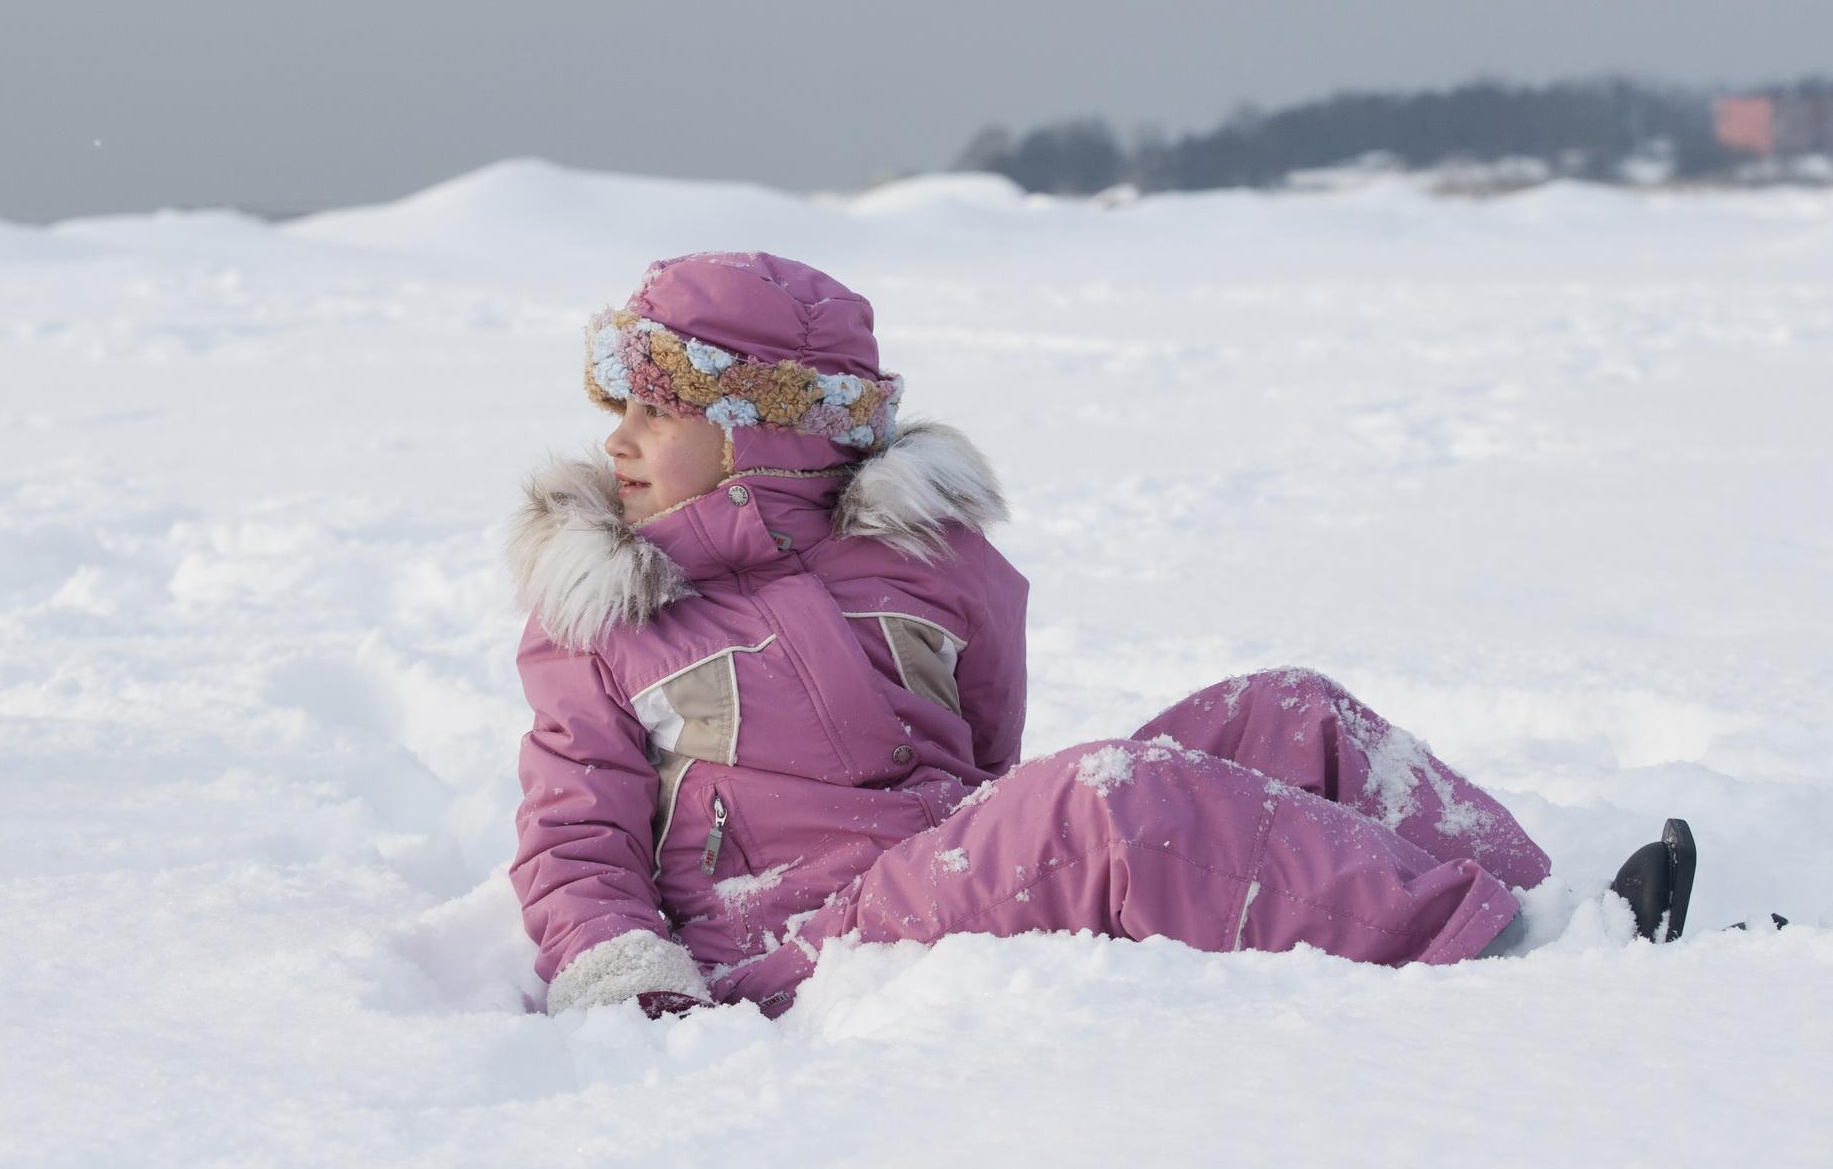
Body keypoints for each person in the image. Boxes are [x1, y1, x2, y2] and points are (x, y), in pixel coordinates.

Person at [507, 251, 1693, 1018]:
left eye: (658, 412)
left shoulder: (915, 559)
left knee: (1284, 707)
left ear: (769, 430)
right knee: (1103, 799)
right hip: (794, 943)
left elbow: (980, 740)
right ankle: (1502, 957)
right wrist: (626, 982)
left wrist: (990, 833)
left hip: (930, 865)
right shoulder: (609, 604)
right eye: (620, 409)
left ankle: (1559, 894)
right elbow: (573, 831)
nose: (618, 441)